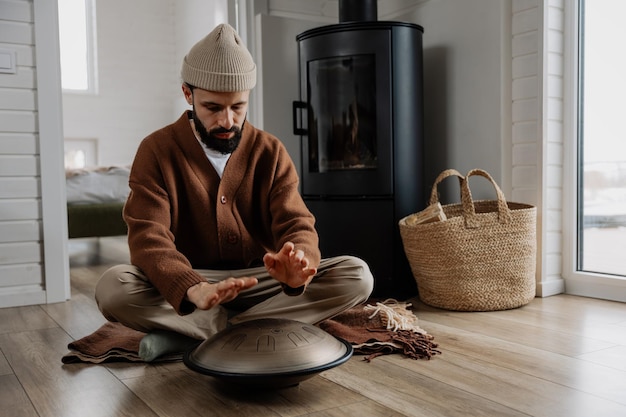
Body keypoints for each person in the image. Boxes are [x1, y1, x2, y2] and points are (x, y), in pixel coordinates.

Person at [94, 23, 374, 361]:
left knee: (356, 275)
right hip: (195, 283)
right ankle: (250, 330)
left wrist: (298, 263)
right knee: (112, 288)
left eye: (238, 107)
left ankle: (193, 336)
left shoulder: (270, 150)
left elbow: (297, 223)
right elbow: (148, 237)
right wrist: (192, 287)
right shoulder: (156, 150)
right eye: (213, 108)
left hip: (262, 283)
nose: (228, 120)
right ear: (188, 94)